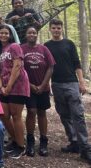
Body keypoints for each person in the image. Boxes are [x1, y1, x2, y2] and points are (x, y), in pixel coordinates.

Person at [44, 19, 91, 164]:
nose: (56, 30)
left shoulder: (69, 44)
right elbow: (46, 67)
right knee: (64, 115)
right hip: (56, 85)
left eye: (58, 28)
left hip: (71, 83)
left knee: (78, 115)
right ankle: (74, 142)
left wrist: (81, 82)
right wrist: (47, 84)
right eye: (54, 28)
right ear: (50, 29)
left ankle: (85, 148)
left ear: (61, 29)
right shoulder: (46, 46)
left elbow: (77, 63)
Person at [0, 24, 30, 159]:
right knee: (4, 115)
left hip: (18, 85)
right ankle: (15, 140)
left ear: (10, 35)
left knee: (16, 115)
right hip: (4, 86)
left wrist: (9, 87)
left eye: (6, 33)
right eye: (1, 33)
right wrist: (2, 87)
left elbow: (17, 66)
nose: (3, 35)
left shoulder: (14, 46)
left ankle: (20, 147)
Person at [21, 26, 55, 157]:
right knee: (31, 111)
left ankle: (43, 141)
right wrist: (30, 85)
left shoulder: (44, 49)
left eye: (34, 33)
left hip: (43, 88)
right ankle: (30, 141)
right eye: (29, 32)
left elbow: (51, 67)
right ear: (26, 34)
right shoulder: (22, 49)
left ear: (37, 34)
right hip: (28, 87)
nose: (32, 34)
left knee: (42, 112)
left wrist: (43, 84)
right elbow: (19, 69)